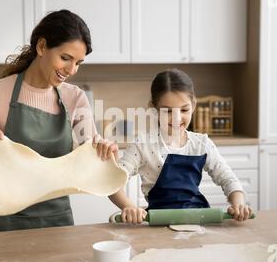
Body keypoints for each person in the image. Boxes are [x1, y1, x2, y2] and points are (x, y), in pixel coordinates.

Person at [0, 10, 118, 233]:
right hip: (5, 227)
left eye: (78, 63)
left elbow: (96, 162)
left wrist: (126, 201)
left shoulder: (74, 97)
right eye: (65, 58)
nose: (71, 70)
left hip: (58, 225)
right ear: (41, 47)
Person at [108, 68, 253, 223]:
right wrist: (129, 207)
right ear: (153, 109)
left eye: (184, 110)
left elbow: (228, 179)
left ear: (194, 105)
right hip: (159, 223)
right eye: (168, 111)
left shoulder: (201, 144)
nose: (177, 118)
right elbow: (112, 183)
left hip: (198, 221)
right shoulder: (142, 146)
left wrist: (238, 204)